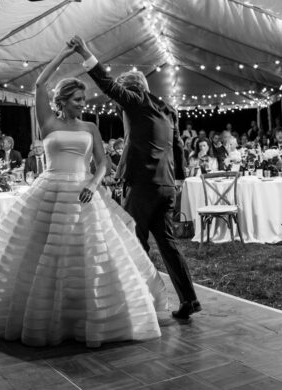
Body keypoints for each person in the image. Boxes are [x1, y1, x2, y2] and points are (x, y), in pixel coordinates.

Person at [0, 41, 167, 348]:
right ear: (63, 101)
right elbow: (40, 83)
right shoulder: (48, 122)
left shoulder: (91, 127)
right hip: (49, 192)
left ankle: (86, 317)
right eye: (78, 99)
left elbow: (102, 164)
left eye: (83, 99)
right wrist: (67, 55)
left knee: (90, 258)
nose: (83, 103)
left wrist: (92, 185)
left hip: (84, 194)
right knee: (42, 258)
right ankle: (47, 318)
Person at [73, 35, 200, 319]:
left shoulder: (136, 101)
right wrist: (178, 178)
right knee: (167, 244)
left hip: (143, 186)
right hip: (166, 186)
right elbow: (178, 146)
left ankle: (141, 301)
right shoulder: (167, 110)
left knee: (132, 240)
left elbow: (107, 83)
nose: (119, 107)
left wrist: (85, 51)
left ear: (131, 91)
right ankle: (189, 299)